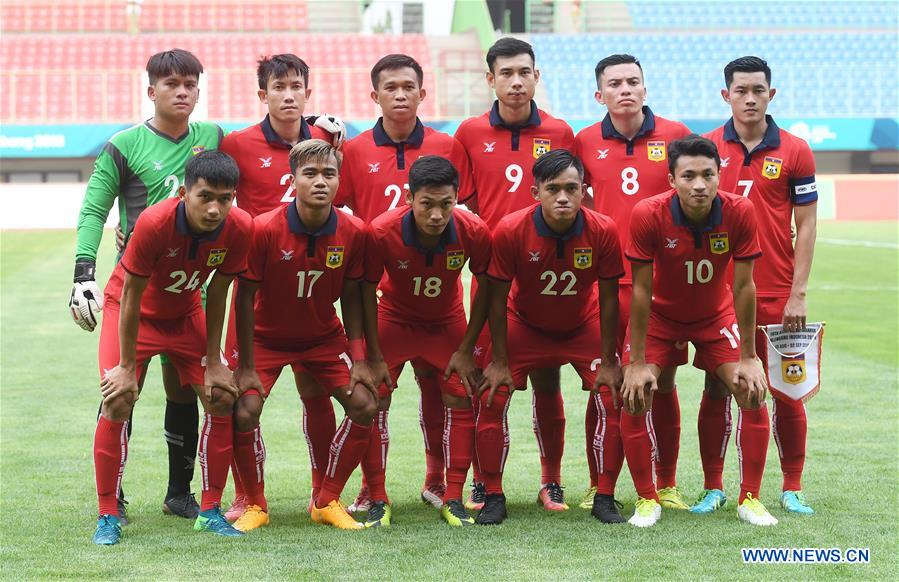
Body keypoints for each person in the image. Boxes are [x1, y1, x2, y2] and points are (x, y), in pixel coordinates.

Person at [70, 49, 223, 522]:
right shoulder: (125, 145)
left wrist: (314, 129)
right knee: (121, 391)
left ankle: (180, 494)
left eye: (191, 84)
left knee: (185, 393)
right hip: (136, 291)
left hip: (189, 294)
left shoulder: (213, 137)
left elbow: (262, 157)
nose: (182, 92)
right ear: (151, 90)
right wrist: (83, 272)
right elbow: (94, 209)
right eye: (172, 83)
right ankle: (112, 499)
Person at [90, 151, 252, 544]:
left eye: (225, 199)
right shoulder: (155, 222)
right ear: (184, 193)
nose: (215, 209)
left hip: (184, 315)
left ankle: (210, 511)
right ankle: (108, 514)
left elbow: (218, 292)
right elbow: (131, 295)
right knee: (119, 398)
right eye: (205, 197)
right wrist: (126, 365)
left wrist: (214, 361)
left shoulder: (240, 226)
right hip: (133, 312)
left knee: (221, 396)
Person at [337, 53, 474, 511]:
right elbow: (340, 214)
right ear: (374, 95)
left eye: (408, 86)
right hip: (385, 299)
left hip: (442, 299)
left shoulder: (448, 146)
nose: (400, 95)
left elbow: (466, 216)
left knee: (444, 391)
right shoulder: (354, 151)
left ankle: (438, 481)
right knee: (372, 395)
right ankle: (369, 487)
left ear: (422, 93)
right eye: (390, 87)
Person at [620, 135, 776, 528]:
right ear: (671, 179)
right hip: (661, 318)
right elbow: (641, 289)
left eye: (708, 174)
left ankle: (750, 498)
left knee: (750, 388)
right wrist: (636, 362)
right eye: (688, 176)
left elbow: (744, 286)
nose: (700, 185)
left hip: (714, 317)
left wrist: (749, 356)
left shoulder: (739, 211)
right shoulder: (648, 213)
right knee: (636, 391)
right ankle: (647, 499)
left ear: (719, 175)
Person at [218, 53, 346, 522]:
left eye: (296, 87)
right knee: (242, 399)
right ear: (263, 94)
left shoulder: (327, 141)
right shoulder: (237, 143)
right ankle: (247, 496)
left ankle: (322, 494)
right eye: (279, 87)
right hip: (256, 289)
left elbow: (343, 203)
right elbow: (214, 195)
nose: (288, 95)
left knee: (317, 392)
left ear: (308, 93)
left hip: (311, 289)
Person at [230, 140, 382, 531]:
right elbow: (243, 297)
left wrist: (359, 357)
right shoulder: (263, 229)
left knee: (365, 403)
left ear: (339, 180)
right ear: (292, 179)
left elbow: (352, 296)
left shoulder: (354, 231)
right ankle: (255, 505)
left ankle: (326, 499)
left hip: (321, 338)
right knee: (243, 410)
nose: (320, 182)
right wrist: (245, 364)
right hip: (264, 339)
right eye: (310, 173)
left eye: (328, 174)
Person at [454, 37, 576, 512]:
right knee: (487, 384)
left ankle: (551, 481)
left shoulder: (560, 131)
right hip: (492, 278)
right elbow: (464, 202)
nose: (516, 81)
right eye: (506, 73)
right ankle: (485, 482)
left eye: (525, 72)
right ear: (491, 79)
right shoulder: (469, 133)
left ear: (536, 76)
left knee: (548, 381)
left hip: (547, 277)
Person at [572, 54, 692, 521]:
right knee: (605, 383)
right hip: (606, 285)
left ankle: (667, 483)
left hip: (663, 287)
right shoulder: (585, 141)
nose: (625, 89)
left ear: (645, 88)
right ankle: (597, 484)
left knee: (662, 383)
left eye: (633, 82)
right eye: (615, 83)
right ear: (599, 94)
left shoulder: (675, 134)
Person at [698, 56, 818, 515]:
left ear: (772, 94)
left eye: (758, 90)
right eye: (741, 90)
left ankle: (792, 486)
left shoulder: (796, 150)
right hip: (719, 295)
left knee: (787, 389)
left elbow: (807, 225)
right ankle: (713, 486)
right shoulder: (707, 148)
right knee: (717, 388)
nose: (750, 98)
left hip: (777, 292)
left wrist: (798, 293)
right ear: (725, 95)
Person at [477, 149, 623, 525]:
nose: (563, 197)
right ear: (535, 192)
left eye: (571, 189)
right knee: (492, 394)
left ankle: (605, 496)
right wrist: (499, 360)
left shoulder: (603, 229)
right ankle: (492, 494)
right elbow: (496, 298)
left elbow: (610, 299)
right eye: (553, 189)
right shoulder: (511, 229)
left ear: (583, 191)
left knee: (613, 395)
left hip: (582, 323)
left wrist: (610, 361)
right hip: (524, 323)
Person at [359, 155, 492, 527]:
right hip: (394, 319)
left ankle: (453, 496)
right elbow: (364, 292)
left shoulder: (473, 230)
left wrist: (466, 348)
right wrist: (372, 354)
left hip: (445, 321)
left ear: (456, 198)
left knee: (461, 395)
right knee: (372, 398)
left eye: (445, 204)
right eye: (427, 204)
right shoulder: (381, 231)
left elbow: (487, 288)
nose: (436, 215)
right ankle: (377, 496)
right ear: (409, 198)